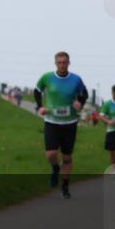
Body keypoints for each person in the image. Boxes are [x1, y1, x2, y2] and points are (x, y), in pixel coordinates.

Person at [34, 51, 89, 199]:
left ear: (69, 63)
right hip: (52, 121)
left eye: (64, 62)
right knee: (51, 154)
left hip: (69, 123)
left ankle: (65, 186)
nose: (62, 65)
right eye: (59, 62)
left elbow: (85, 93)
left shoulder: (76, 79)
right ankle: (55, 168)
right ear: (55, 63)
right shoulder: (47, 77)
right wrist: (40, 106)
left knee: (67, 157)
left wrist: (80, 103)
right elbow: (37, 91)